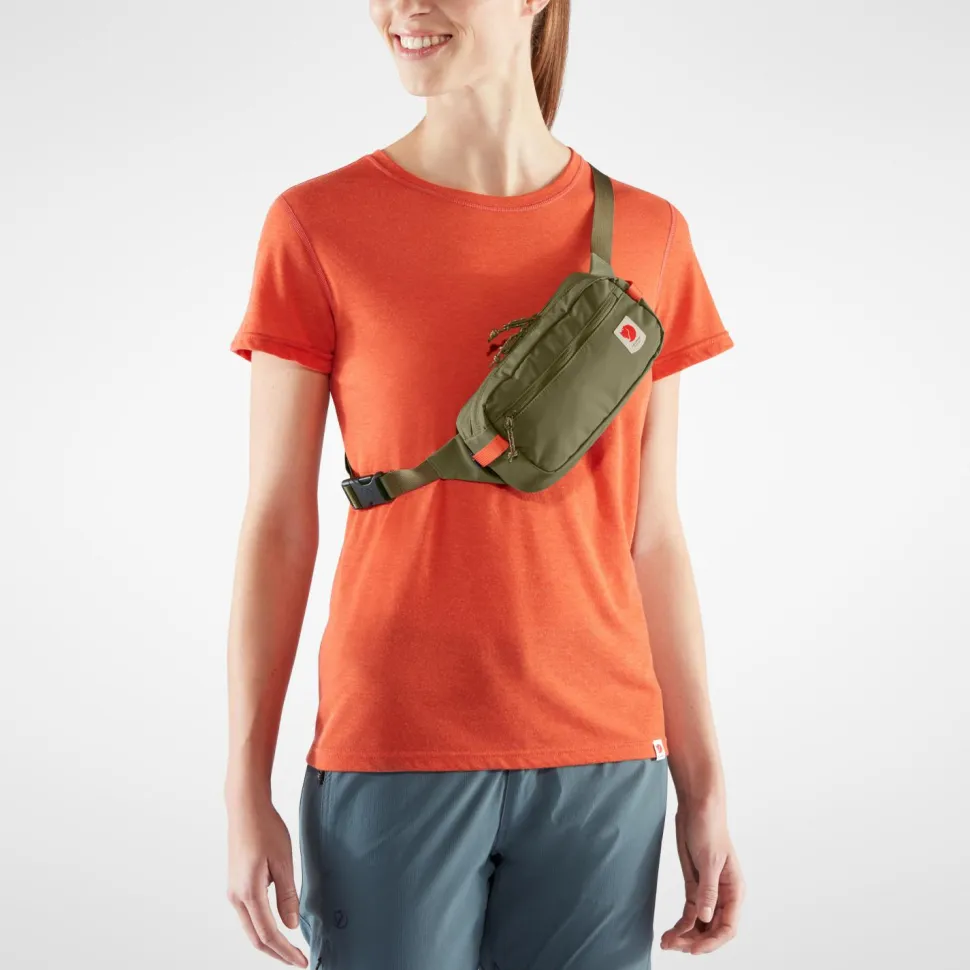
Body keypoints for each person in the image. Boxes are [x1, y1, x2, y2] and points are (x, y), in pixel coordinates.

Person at [224, 2, 744, 967]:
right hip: (392, 748)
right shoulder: (316, 225)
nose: (405, 9)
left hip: (605, 761)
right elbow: (277, 525)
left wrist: (704, 787)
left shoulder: (652, 235)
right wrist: (242, 786)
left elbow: (655, 535)